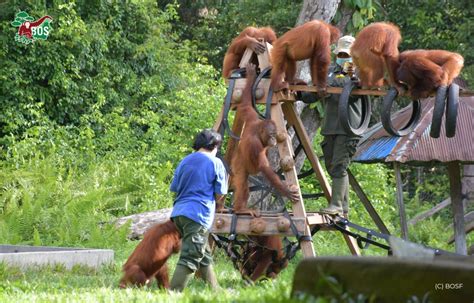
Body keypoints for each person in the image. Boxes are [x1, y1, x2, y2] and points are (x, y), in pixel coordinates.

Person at [169, 128, 228, 291]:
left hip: (179, 214)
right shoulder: (215, 163)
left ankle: (216, 290)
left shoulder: (185, 161)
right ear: (215, 146)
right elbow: (220, 193)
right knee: (191, 255)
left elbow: (174, 188)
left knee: (203, 253)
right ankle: (173, 293)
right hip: (198, 214)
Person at [319, 35, 362, 217]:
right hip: (330, 126)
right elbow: (317, 88)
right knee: (331, 165)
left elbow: (352, 89)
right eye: (342, 53)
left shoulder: (361, 72)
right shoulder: (330, 70)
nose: (344, 57)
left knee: (339, 166)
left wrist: (348, 77)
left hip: (348, 127)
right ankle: (343, 207)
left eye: (347, 54)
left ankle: (336, 205)